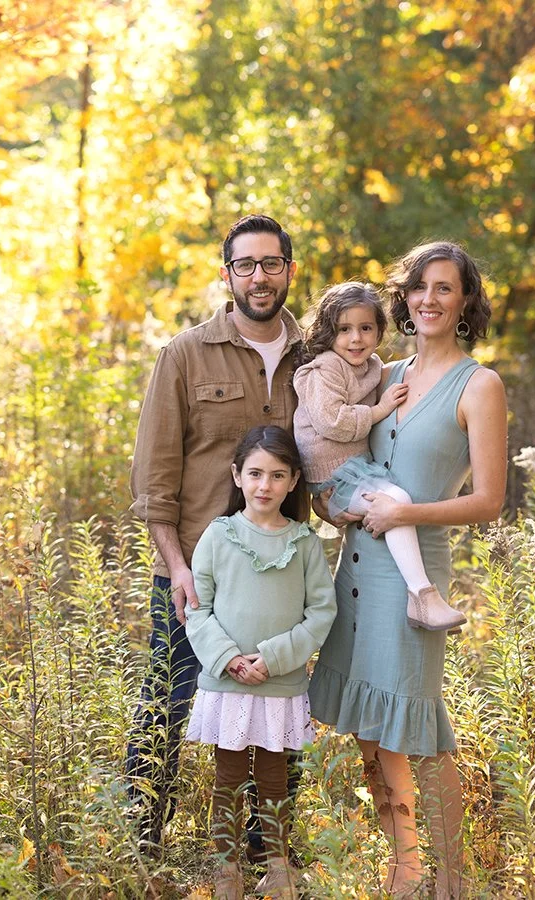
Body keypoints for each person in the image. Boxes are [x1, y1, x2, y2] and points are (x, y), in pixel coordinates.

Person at [308, 242, 508, 898]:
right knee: (371, 731)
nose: (429, 299)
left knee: (417, 729)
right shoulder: (381, 371)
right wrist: (327, 500)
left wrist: (405, 515)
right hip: (357, 569)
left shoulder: (480, 385)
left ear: (466, 303)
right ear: (405, 298)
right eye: (419, 287)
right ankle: (405, 871)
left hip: (415, 577)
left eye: (445, 289)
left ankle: (449, 883)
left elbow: (489, 500)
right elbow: (334, 444)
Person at [125, 214, 305, 857]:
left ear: (289, 269)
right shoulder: (184, 354)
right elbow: (155, 479)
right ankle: (142, 842)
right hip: (195, 574)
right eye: (246, 265)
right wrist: (174, 566)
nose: (260, 277)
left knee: (277, 709)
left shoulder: (314, 358)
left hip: (282, 572)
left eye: (271, 263)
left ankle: (267, 850)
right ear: (228, 274)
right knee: (168, 701)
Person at [184, 426, 336, 900]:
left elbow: (321, 613)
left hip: (278, 682)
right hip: (227, 681)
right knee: (228, 776)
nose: (264, 485)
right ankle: (226, 867)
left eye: (276, 475)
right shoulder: (218, 535)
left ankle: (277, 865)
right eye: (254, 473)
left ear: (294, 482)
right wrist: (229, 659)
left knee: (275, 777)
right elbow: (197, 609)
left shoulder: (305, 544)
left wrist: (272, 659)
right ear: (237, 475)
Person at [292, 281, 466, 632]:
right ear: (329, 333)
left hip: (355, 471)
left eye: (366, 328)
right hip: (331, 475)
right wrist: (380, 409)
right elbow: (334, 422)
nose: (356, 338)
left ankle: (421, 597)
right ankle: (423, 596)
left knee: (394, 503)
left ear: (379, 331)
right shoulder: (324, 369)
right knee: (396, 500)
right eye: (344, 330)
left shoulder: (372, 367)